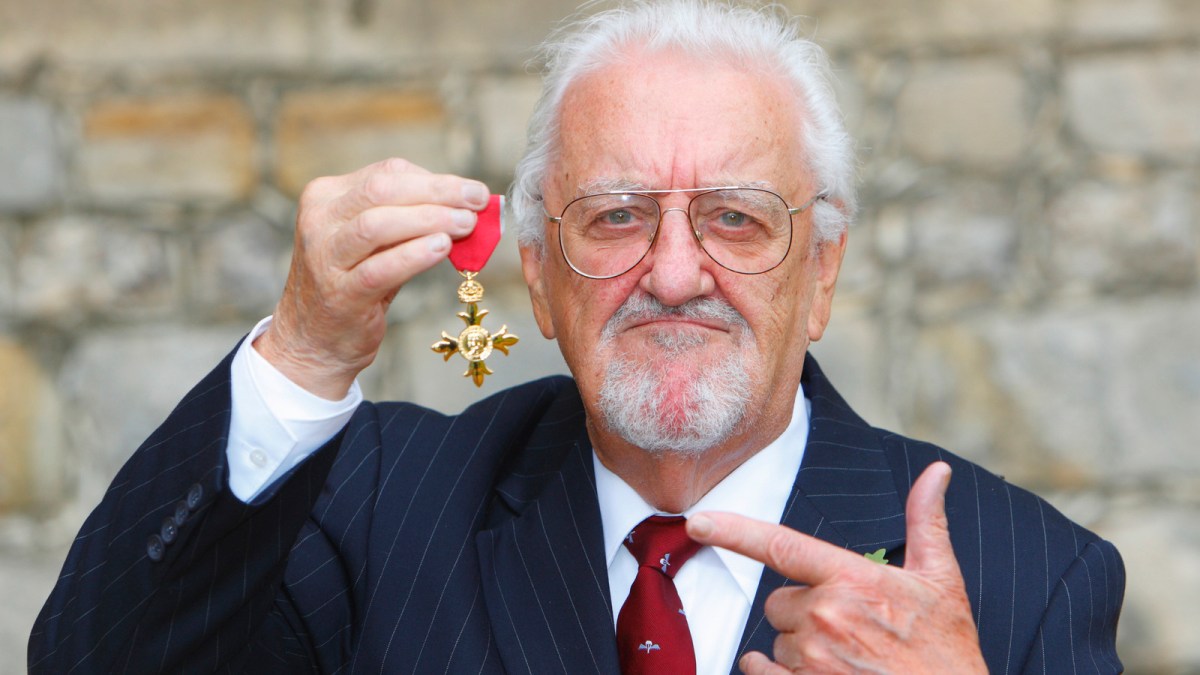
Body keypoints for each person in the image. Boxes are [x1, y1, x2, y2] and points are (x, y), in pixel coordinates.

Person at [29, 1, 1124, 673]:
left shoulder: (1024, 578)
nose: (678, 273)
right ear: (539, 277)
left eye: (736, 218)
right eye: (617, 217)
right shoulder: (376, 509)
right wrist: (306, 355)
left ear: (822, 272)